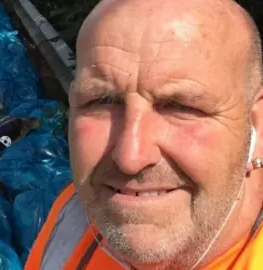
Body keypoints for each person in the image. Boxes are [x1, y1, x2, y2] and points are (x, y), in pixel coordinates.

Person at [24, 0, 263, 269]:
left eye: (181, 107)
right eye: (101, 101)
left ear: (257, 125)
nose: (130, 157)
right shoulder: (73, 214)